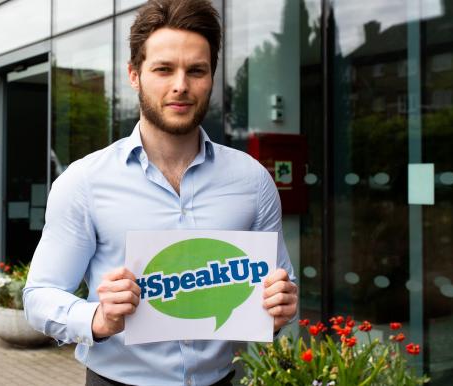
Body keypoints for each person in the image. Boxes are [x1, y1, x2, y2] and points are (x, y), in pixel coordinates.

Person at [23, 0, 298, 384]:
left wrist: (281, 307)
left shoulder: (252, 180)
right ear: (134, 75)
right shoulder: (84, 182)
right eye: (163, 69)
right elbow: (39, 296)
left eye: (196, 70)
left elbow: (281, 283)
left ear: (212, 77)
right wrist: (99, 319)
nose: (180, 85)